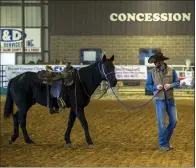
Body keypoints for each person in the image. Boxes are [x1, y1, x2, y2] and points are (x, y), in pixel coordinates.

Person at [145, 52, 180, 151]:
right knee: (161, 123)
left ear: (161, 61)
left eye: (155, 61)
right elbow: (148, 86)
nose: (154, 63)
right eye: (153, 62)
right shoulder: (152, 72)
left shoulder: (171, 70)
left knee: (174, 121)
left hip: (170, 99)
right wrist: (156, 87)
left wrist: (170, 85)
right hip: (159, 100)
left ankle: (165, 142)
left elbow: (177, 82)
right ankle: (163, 144)